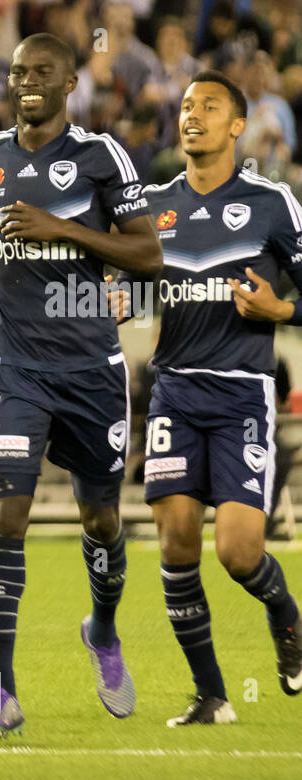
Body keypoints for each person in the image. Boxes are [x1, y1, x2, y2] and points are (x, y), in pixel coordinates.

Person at [0, 34, 163, 739]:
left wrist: (63, 227)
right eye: (18, 72)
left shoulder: (101, 156)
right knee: (6, 517)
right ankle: (2, 690)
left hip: (90, 366)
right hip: (14, 364)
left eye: (42, 73)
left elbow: (148, 253)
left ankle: (104, 630)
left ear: (69, 85)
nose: (26, 82)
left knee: (101, 522)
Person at [134, 71, 302, 724]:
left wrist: (279, 306)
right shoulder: (149, 205)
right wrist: (111, 296)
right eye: (184, 106)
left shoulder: (272, 203)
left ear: (238, 126)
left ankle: (287, 620)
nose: (191, 115)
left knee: (237, 551)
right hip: (173, 392)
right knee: (176, 543)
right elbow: (114, 273)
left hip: (241, 398)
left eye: (208, 106)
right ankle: (212, 696)